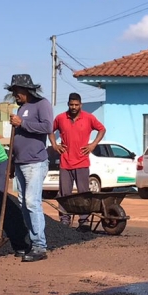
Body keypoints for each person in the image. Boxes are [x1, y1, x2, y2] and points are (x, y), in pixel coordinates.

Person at [7, 74, 54, 262]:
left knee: (32, 202)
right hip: (20, 163)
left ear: (26, 90)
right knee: (23, 203)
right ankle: (32, 243)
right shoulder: (22, 108)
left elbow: (47, 127)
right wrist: (12, 161)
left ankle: (40, 246)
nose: (15, 95)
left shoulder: (42, 104)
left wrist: (22, 123)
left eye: (17, 91)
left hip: (35, 162)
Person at [51, 93, 106, 229]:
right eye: (71, 105)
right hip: (65, 161)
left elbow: (102, 129)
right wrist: (55, 145)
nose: (74, 107)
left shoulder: (88, 118)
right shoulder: (60, 118)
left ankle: (84, 221)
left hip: (82, 161)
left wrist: (93, 145)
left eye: (76, 105)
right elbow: (50, 131)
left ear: (80, 105)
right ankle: (64, 220)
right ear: (68, 104)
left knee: (83, 192)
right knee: (64, 194)